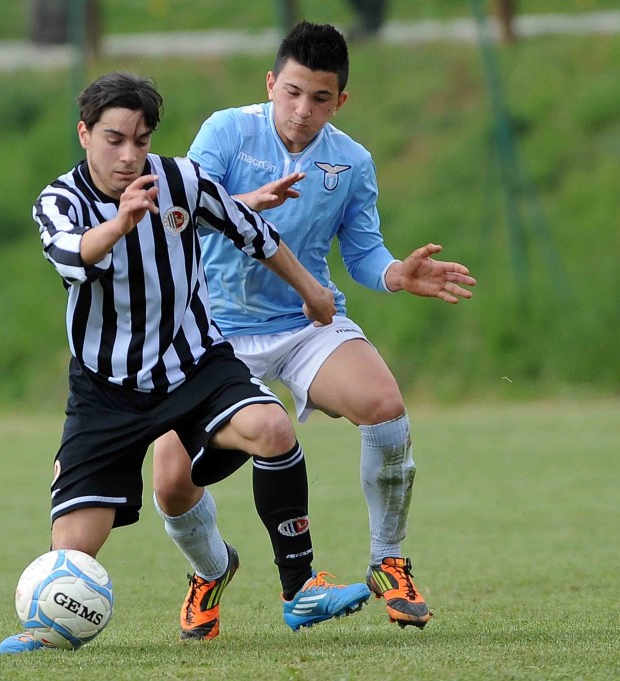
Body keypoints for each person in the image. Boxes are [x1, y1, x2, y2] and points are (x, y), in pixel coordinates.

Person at [0, 71, 371, 655]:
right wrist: (120, 222)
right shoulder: (59, 201)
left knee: (272, 428)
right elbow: (70, 255)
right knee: (71, 552)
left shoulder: (181, 180)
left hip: (194, 364)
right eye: (114, 139)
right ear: (84, 133)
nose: (129, 155)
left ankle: (300, 590)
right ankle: (49, 628)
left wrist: (312, 291)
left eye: (141, 140)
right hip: (106, 390)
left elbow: (253, 231)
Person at [152, 21, 476, 640]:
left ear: (340, 101)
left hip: (304, 321)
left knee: (384, 405)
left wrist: (397, 275)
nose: (303, 110)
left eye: (320, 98)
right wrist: (249, 203)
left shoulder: (351, 161)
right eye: (293, 92)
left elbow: (364, 253)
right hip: (211, 333)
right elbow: (181, 212)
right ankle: (211, 569)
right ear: (271, 84)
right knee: (170, 483)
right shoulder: (226, 131)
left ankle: (388, 561)